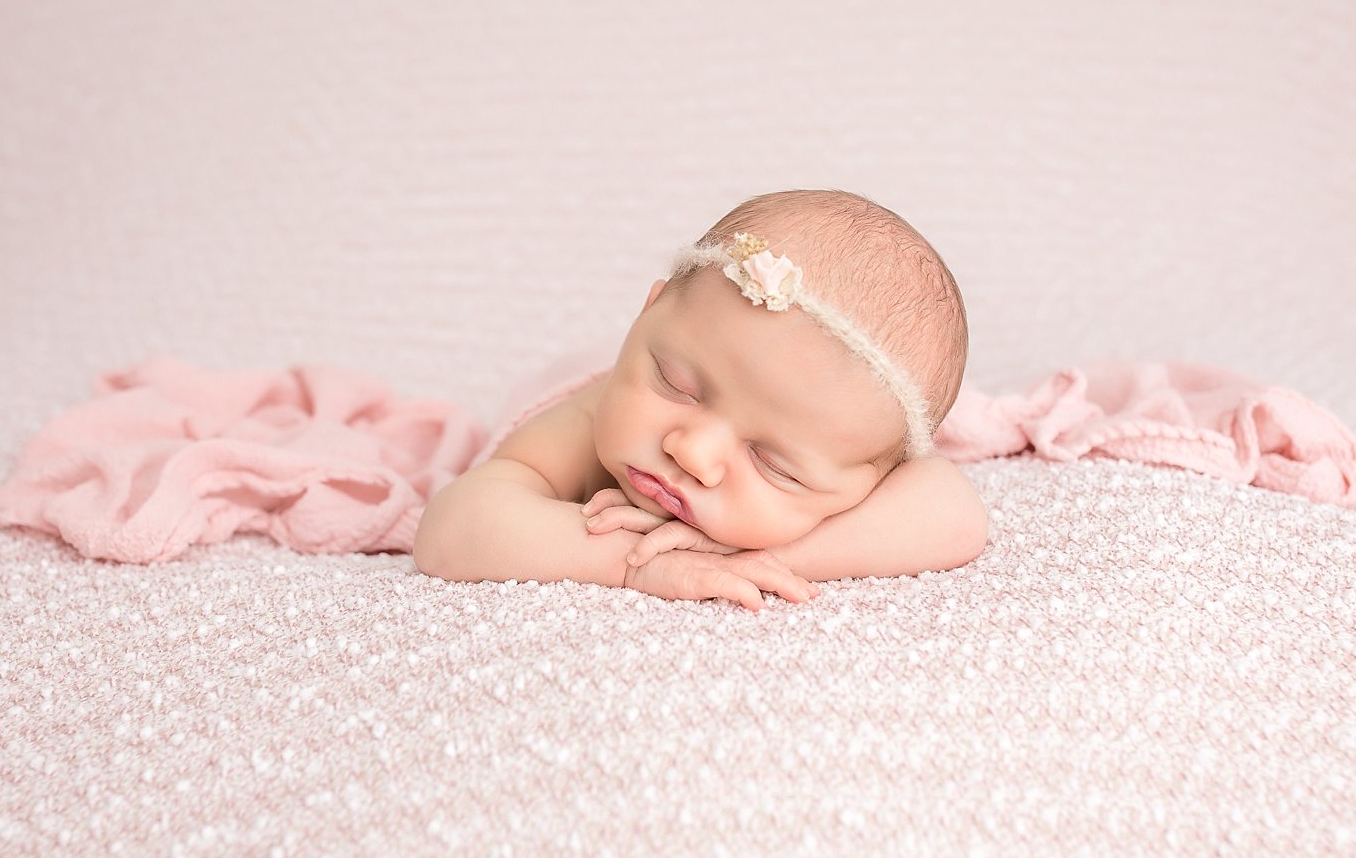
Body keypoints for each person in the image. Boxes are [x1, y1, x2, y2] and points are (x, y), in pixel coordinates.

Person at [413, 189, 988, 609]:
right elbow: (453, 528)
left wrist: (756, 559)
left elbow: (955, 517)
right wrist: (635, 566)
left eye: (772, 463)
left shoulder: (852, 440)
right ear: (647, 314)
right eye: (675, 384)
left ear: (872, 479)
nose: (691, 453)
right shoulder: (585, 421)